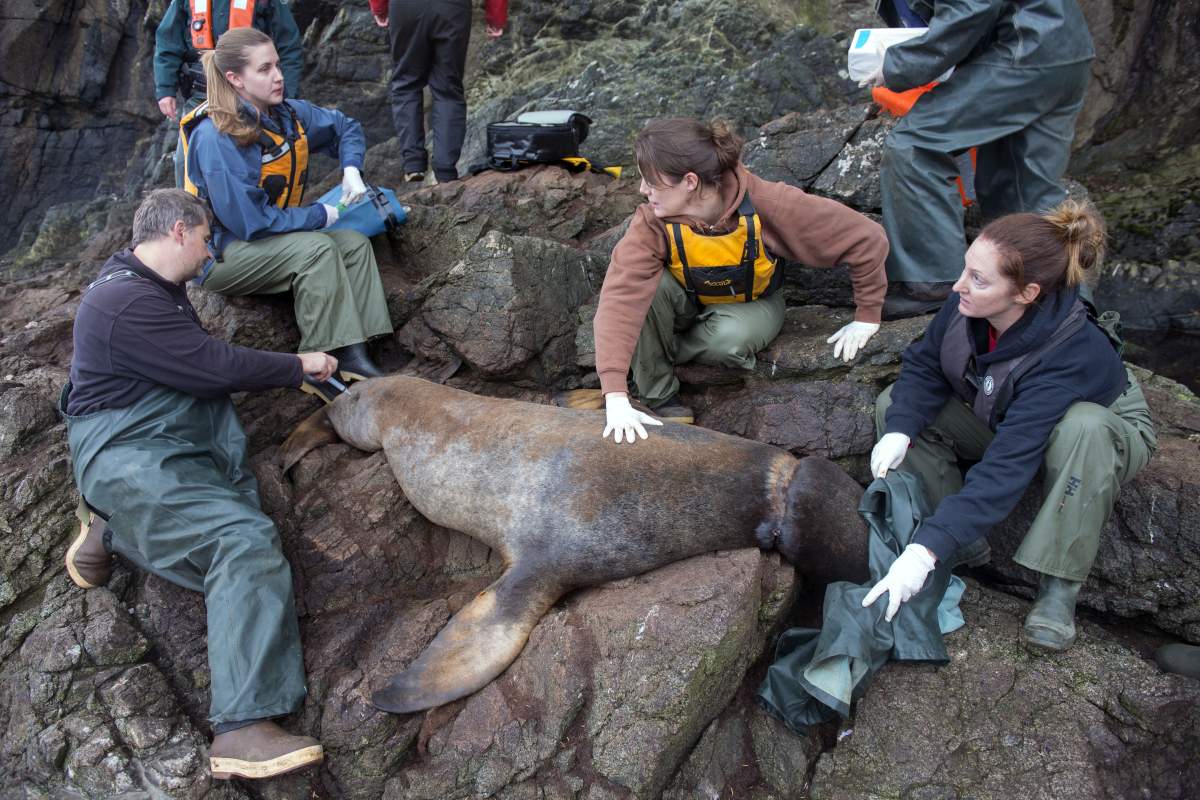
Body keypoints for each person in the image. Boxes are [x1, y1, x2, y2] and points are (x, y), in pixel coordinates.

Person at [61, 189, 333, 780]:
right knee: (240, 542)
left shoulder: (152, 289)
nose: (211, 252)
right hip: (127, 456)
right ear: (180, 231)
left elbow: (194, 367)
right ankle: (241, 727)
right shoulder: (124, 301)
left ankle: (110, 529)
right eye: (208, 238)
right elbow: (211, 366)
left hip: (162, 448)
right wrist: (296, 366)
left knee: (233, 522)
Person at [863, 200, 1156, 652]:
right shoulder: (968, 301)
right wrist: (901, 428)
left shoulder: (1071, 351)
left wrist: (922, 551)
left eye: (979, 279)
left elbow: (1008, 465)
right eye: (966, 268)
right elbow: (924, 364)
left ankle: (1059, 587)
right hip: (1005, 407)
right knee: (895, 406)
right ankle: (965, 542)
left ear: (1027, 293)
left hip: (1101, 424)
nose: (960, 285)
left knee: (1084, 428)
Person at [591, 117, 888, 443]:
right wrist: (614, 394)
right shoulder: (651, 222)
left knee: (730, 340)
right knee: (648, 292)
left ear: (690, 181)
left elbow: (868, 238)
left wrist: (867, 316)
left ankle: (655, 351)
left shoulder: (767, 202)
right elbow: (620, 297)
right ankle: (658, 397)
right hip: (684, 299)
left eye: (651, 181)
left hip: (751, 304)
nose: (642, 189)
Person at [182, 27, 393, 381]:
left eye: (277, 65)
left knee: (354, 245)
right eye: (264, 70)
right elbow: (250, 222)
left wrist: (352, 170)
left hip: (268, 239)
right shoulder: (216, 136)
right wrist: (317, 215)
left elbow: (346, 127)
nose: (278, 77)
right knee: (317, 249)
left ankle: (359, 351)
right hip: (221, 255)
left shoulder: (287, 114)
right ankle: (322, 367)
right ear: (235, 78)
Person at [866, 0, 1095, 319]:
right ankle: (1072, 308)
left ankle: (932, 283)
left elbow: (970, 6)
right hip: (1064, 49)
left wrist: (899, 65)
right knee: (1020, 188)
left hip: (1023, 49)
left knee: (915, 147)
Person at [154, 0, 304, 188]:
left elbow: (289, 45)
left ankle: (259, 211)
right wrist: (165, 90)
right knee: (186, 162)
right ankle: (190, 211)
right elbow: (168, 42)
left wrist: (286, 96)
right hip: (202, 97)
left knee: (254, 160)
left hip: (250, 98)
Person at [369, 0, 509, 183]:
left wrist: (379, 8)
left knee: (406, 84)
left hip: (406, 7)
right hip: (452, 9)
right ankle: (445, 170)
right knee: (448, 89)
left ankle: (413, 164)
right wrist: (496, 17)